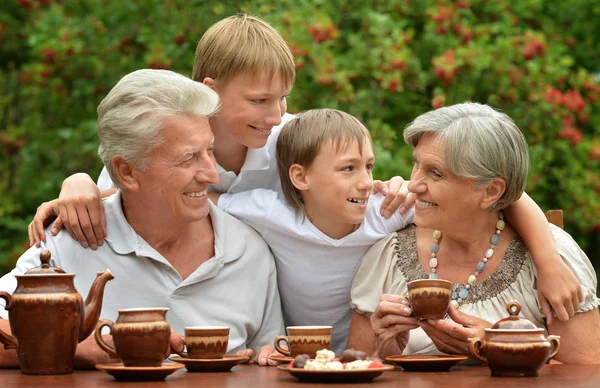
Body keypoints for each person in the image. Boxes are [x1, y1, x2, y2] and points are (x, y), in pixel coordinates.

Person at [27, 14, 412, 252]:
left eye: (283, 98)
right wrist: (78, 186)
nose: (276, 115)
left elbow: (350, 184)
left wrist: (389, 190)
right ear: (211, 89)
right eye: (260, 100)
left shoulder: (293, 137)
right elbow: (124, 195)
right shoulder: (167, 136)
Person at [0, 69, 284, 369]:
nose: (212, 175)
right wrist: (78, 345)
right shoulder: (69, 240)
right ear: (127, 172)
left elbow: (271, 357)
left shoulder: (249, 251)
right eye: (188, 158)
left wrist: (271, 361)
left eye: (209, 151)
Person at [347, 103, 600, 363]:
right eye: (417, 164)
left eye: (435, 173)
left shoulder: (550, 261)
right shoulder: (387, 256)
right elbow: (357, 370)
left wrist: (497, 350)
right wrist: (386, 349)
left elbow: (588, 373)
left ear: (491, 191)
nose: (414, 184)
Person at [208, 109, 415, 353]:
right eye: (348, 168)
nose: (366, 183)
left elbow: (446, 203)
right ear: (301, 176)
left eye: (368, 166)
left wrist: (410, 187)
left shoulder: (385, 211)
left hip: (369, 354)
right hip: (299, 358)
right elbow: (205, 200)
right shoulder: (270, 213)